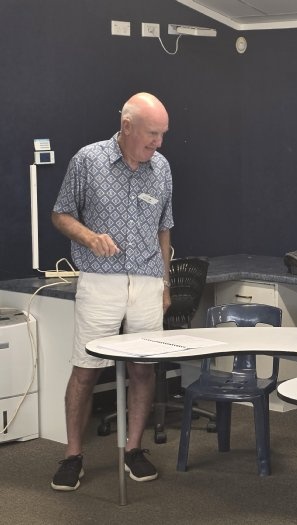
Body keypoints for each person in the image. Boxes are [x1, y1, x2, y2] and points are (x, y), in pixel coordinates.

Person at [50, 92, 173, 491]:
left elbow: (164, 229)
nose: (158, 143)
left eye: (163, 134)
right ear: (127, 126)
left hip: (147, 282)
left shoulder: (162, 168)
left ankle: (133, 449)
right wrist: (89, 238)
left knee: (143, 369)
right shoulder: (88, 160)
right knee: (86, 369)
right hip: (100, 281)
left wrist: (165, 283)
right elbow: (60, 214)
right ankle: (72, 455)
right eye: (152, 134)